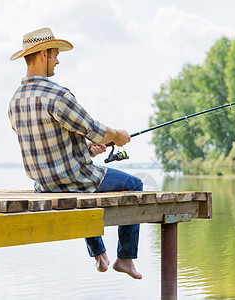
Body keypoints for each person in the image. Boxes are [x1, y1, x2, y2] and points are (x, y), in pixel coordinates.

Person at [8, 28, 142, 279]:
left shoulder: (15, 101)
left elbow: (47, 144)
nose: (58, 61)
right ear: (44, 54)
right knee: (134, 184)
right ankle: (125, 258)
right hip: (75, 180)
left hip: (44, 185)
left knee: (78, 189)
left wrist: (87, 150)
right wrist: (118, 136)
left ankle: (99, 254)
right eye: (56, 55)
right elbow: (95, 130)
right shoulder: (56, 95)